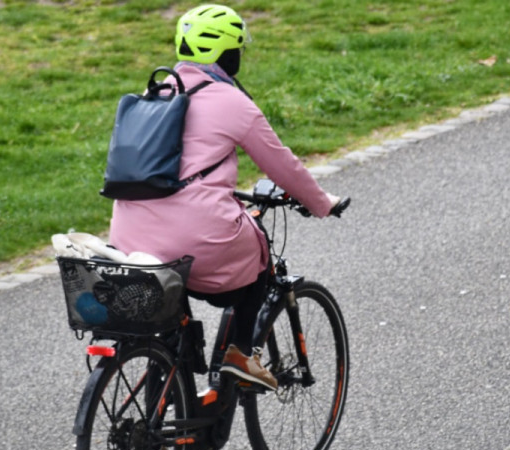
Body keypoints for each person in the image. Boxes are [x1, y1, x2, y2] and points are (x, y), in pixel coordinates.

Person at [108, 4, 344, 392]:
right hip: (196, 241)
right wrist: (322, 203)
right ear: (226, 54)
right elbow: (282, 166)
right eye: (237, 49)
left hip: (130, 239)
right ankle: (241, 354)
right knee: (258, 251)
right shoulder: (230, 101)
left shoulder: (153, 93)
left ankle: (167, 401)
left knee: (169, 321)